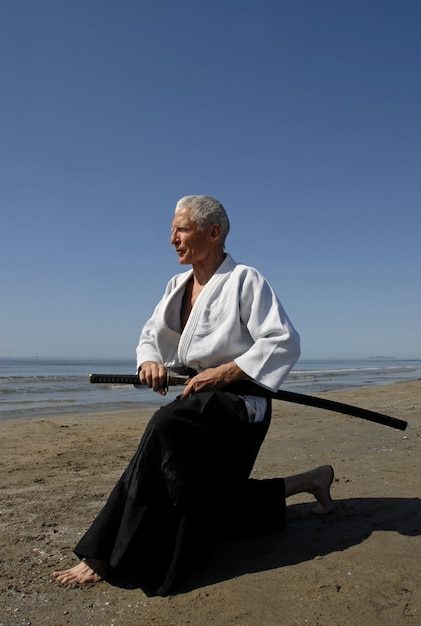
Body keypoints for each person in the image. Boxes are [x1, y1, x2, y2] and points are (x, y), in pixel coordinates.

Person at [53, 195, 334, 596]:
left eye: (181, 229)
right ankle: (312, 479)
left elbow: (283, 340)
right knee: (208, 496)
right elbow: (152, 336)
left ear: (213, 232)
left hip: (240, 404)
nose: (172, 239)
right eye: (173, 230)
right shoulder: (177, 285)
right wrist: (149, 363)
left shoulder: (245, 279)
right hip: (198, 401)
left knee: (164, 425)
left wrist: (226, 371)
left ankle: (102, 554)